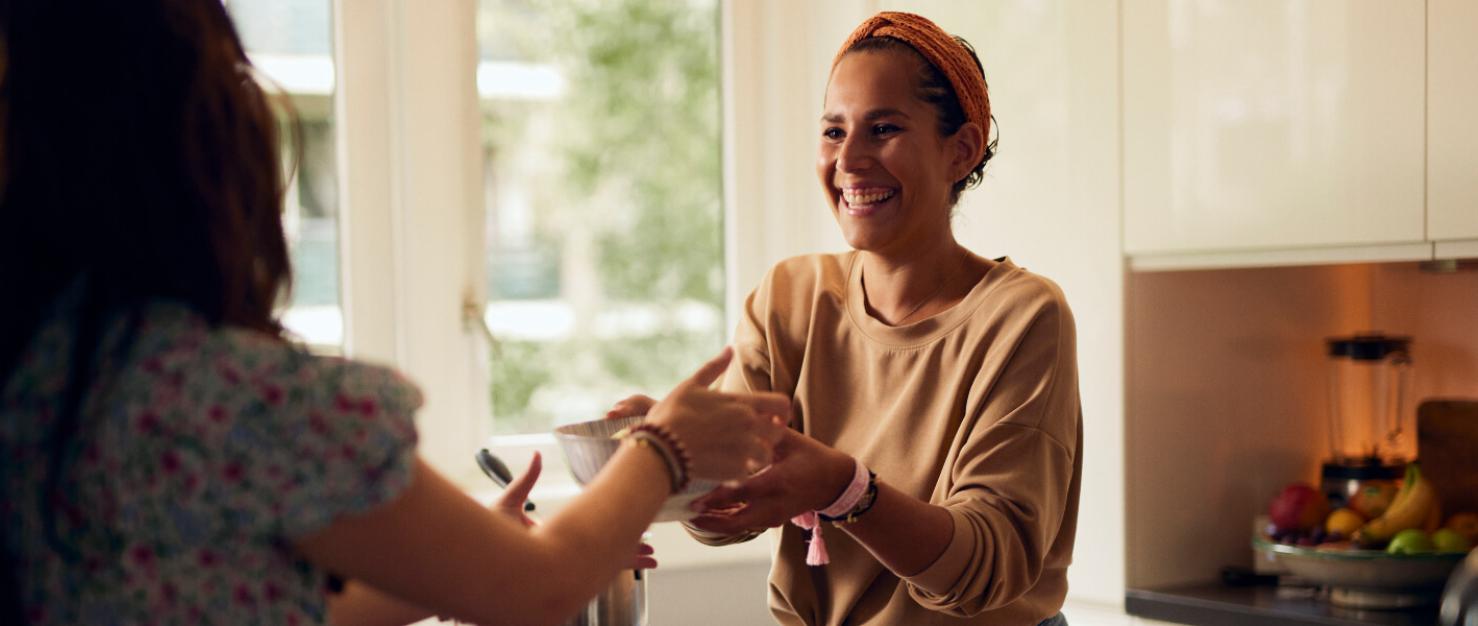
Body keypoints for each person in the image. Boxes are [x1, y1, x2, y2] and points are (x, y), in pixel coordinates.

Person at [0, 2, 787, 625]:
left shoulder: (39, 375)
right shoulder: (233, 399)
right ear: (198, 149)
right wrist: (662, 451)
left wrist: (448, 571)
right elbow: (541, 590)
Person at [610, 11, 1082, 626]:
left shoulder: (1022, 317)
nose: (850, 160)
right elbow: (725, 521)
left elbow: (985, 570)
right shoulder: (789, 295)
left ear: (960, 151)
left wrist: (844, 489)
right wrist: (675, 454)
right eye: (833, 132)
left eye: (883, 128)